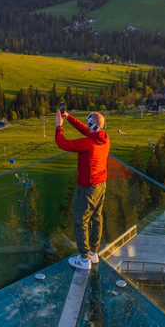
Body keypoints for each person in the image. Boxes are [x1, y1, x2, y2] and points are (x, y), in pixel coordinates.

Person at [55, 108, 110, 271]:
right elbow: (87, 131)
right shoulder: (105, 138)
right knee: (97, 217)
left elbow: (63, 143)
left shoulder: (88, 144)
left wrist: (59, 126)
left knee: (80, 220)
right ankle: (93, 252)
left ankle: (84, 258)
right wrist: (69, 118)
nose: (86, 124)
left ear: (93, 125)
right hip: (101, 185)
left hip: (87, 188)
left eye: (88, 122)